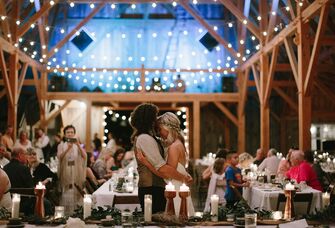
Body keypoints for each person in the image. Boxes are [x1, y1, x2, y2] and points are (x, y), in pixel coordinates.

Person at [130, 103, 192, 213]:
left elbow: (165, 168)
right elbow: (163, 169)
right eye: (155, 116)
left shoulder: (154, 139)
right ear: (149, 119)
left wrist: (182, 175)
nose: (156, 119)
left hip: (159, 188)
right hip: (151, 189)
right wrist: (183, 177)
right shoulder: (144, 138)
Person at [57, 125, 87, 215]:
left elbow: (85, 156)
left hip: (76, 172)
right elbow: (59, 157)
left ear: (74, 134)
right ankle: (67, 214)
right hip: (66, 171)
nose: (70, 134)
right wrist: (68, 149)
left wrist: (77, 144)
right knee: (66, 192)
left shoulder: (78, 145)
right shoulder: (61, 145)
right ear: (65, 134)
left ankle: (76, 214)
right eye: (68, 132)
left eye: (72, 132)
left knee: (76, 191)